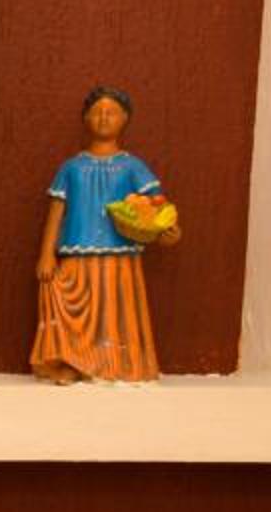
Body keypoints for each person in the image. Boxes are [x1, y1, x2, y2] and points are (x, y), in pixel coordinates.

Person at [31, 85, 174, 384]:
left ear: (125, 118)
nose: (104, 117)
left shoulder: (133, 166)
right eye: (97, 112)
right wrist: (46, 254)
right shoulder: (71, 167)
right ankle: (73, 361)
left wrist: (167, 230)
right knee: (67, 303)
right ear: (85, 118)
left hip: (119, 254)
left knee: (114, 311)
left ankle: (119, 364)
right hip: (76, 251)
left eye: (112, 112)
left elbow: (158, 206)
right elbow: (56, 213)